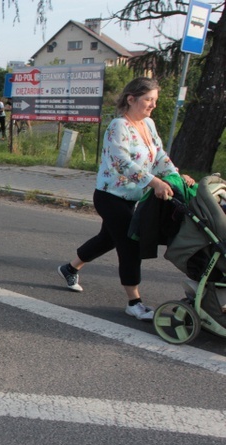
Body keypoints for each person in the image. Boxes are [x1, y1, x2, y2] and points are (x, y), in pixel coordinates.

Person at [57, 77, 195, 321]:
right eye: (148, 100)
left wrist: (175, 177)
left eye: (155, 100)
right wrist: (154, 182)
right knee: (130, 243)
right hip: (110, 196)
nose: (153, 105)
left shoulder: (148, 124)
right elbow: (122, 162)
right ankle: (134, 302)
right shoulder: (118, 126)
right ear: (131, 99)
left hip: (132, 196)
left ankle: (69, 268)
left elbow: (159, 155)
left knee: (107, 238)